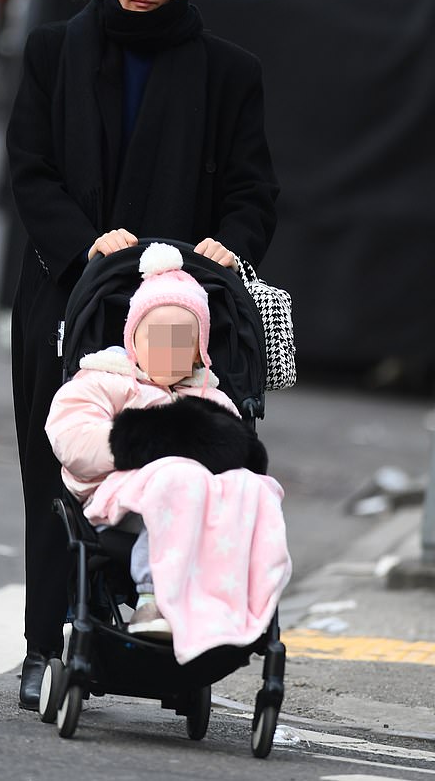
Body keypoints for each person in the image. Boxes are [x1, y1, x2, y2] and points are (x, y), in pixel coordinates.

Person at [6, 0, 279, 707]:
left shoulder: (229, 72)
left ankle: (161, 630)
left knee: (182, 464)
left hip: (176, 310)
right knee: (55, 466)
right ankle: (43, 640)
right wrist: (86, 242)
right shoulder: (55, 50)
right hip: (67, 291)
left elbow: (252, 190)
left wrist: (233, 243)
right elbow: (31, 170)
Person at [45, 243, 291, 662]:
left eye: (182, 342)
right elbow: (72, 434)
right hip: (125, 497)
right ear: (133, 340)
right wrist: (149, 442)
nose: (168, 350)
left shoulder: (210, 397)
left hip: (204, 504)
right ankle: (153, 596)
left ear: (200, 350)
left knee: (257, 491)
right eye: (156, 338)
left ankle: (237, 603)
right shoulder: (107, 380)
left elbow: (240, 456)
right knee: (178, 478)